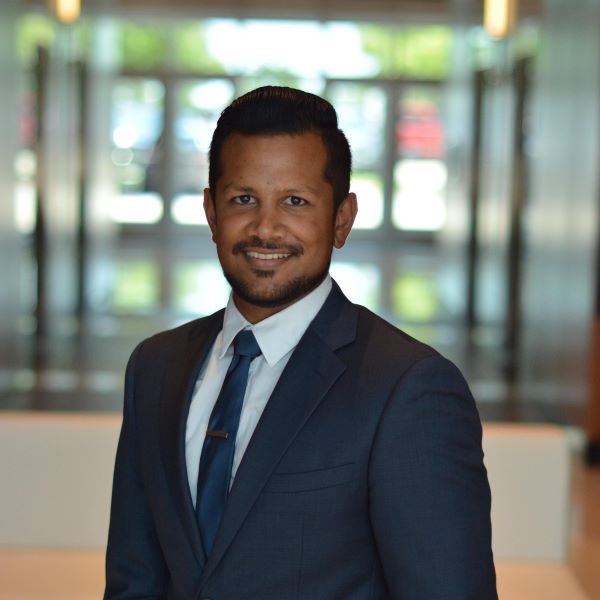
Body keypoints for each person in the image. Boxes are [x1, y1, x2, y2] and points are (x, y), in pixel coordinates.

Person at [105, 86, 497, 600]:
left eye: (295, 201)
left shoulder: (408, 388)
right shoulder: (155, 367)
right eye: (243, 199)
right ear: (210, 212)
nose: (265, 228)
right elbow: (135, 579)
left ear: (341, 219)